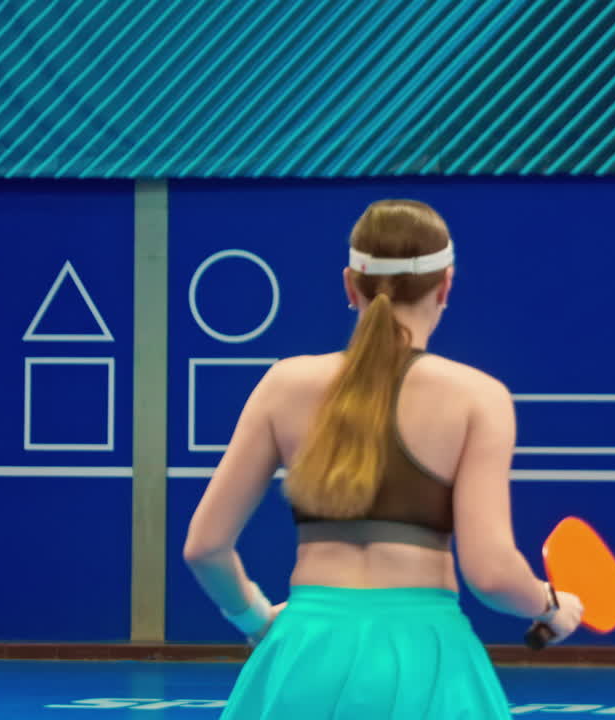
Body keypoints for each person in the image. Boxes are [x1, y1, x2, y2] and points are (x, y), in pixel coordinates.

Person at [183, 199, 584, 719]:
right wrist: (550, 605)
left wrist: (258, 620)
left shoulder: (283, 385)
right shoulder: (477, 397)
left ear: (352, 285)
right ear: (446, 286)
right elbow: (491, 574)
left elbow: (205, 548)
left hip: (303, 654)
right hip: (428, 660)